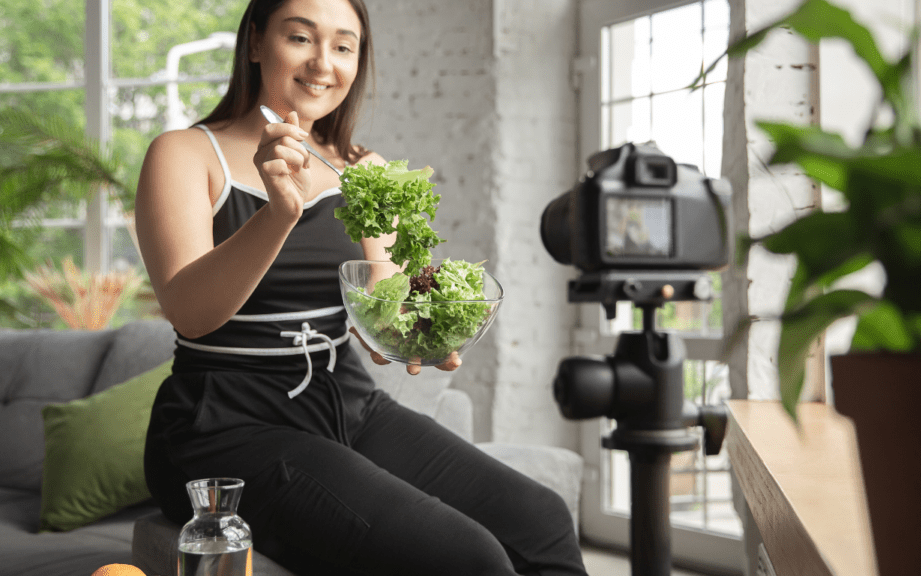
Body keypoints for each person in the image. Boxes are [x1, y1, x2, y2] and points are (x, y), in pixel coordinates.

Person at [136, 0, 589, 574]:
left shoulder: (362, 167)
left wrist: (422, 334)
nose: (323, 63)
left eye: (344, 46)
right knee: (465, 557)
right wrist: (279, 212)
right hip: (224, 423)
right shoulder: (184, 154)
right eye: (300, 38)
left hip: (346, 401)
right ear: (255, 42)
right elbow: (189, 312)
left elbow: (385, 311)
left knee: (541, 519)